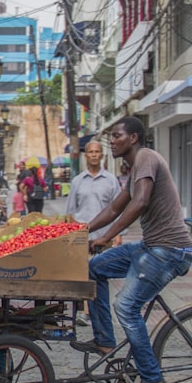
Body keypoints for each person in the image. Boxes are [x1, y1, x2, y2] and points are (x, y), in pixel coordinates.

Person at [72, 116, 192, 383]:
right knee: (94, 269)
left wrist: (106, 237)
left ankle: (152, 379)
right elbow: (116, 206)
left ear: (134, 138)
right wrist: (81, 230)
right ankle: (104, 340)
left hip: (170, 250)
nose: (111, 141)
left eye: (117, 136)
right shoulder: (132, 168)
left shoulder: (146, 158)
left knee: (126, 307)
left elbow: (139, 203)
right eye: (111, 136)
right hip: (151, 246)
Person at [66, 139, 122, 326]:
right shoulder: (77, 181)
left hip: (103, 237)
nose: (94, 155)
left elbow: (118, 209)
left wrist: (118, 234)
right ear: (86, 155)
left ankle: (99, 312)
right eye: (91, 152)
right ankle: (83, 311)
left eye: (97, 152)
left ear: (101, 155)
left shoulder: (111, 181)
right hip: (82, 237)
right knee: (81, 274)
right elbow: (70, 211)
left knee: (100, 275)